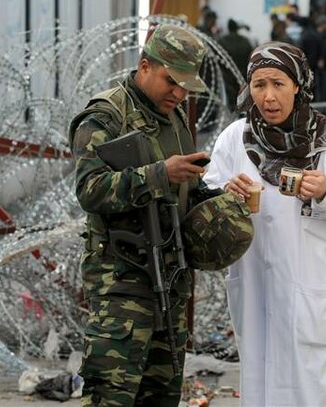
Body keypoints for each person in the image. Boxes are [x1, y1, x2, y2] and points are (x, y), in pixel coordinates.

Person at [203, 41, 326, 407]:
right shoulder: (236, 138)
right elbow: (204, 193)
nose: (268, 96)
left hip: (311, 291)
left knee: (315, 386)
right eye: (259, 85)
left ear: (297, 85)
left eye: (278, 84)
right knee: (261, 379)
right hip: (256, 287)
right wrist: (224, 192)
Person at [68, 23, 211, 406]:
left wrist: (217, 199)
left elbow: (186, 193)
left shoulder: (174, 118)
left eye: (185, 86)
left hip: (170, 280)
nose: (179, 93)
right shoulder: (106, 116)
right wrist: (160, 174)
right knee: (111, 397)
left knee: (162, 396)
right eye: (171, 81)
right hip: (122, 283)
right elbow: (90, 190)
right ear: (145, 66)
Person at [218, 18, 253, 112]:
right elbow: (250, 58)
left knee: (230, 101)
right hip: (242, 74)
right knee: (241, 97)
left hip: (227, 75)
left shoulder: (221, 41)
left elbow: (218, 59)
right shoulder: (245, 41)